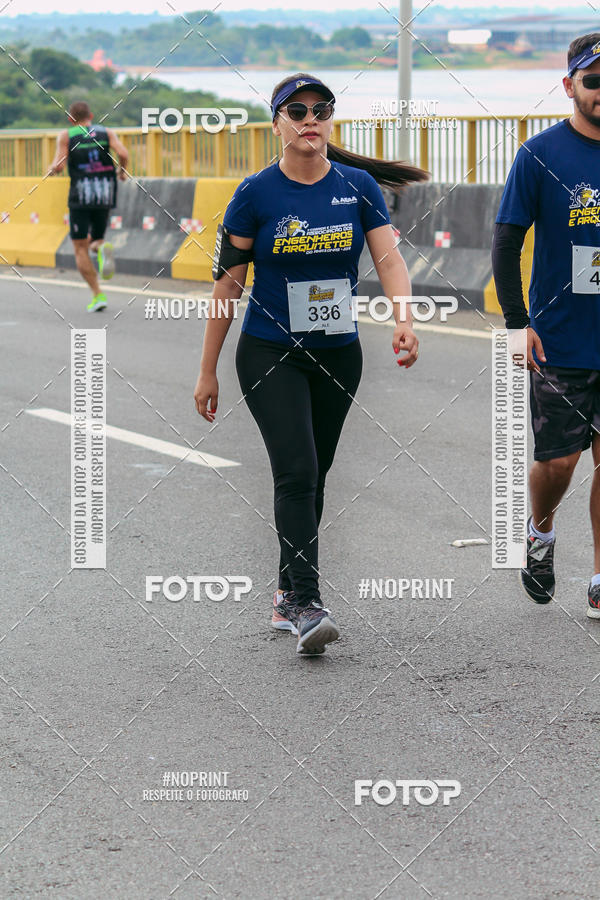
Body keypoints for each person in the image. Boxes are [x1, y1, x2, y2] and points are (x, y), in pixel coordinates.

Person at [194, 73, 428, 655]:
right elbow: (227, 285)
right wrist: (207, 369)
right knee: (296, 470)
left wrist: (403, 318)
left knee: (314, 475)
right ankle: (305, 602)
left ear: (330, 120)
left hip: (338, 353)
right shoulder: (255, 194)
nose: (310, 119)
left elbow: (389, 260)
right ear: (276, 122)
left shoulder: (357, 186)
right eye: (296, 111)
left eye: (321, 110)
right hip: (270, 351)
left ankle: (285, 591)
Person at [492, 33, 600, 619]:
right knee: (559, 462)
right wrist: (518, 323)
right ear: (569, 86)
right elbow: (507, 241)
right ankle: (540, 530)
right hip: (560, 337)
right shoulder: (539, 155)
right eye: (594, 79)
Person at [47, 100, 128, 312]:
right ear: (90, 116)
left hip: (81, 195)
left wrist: (52, 169)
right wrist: (122, 171)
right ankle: (100, 247)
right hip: (105, 192)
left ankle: (97, 294)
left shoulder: (66, 135)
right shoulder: (105, 132)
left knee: (79, 247)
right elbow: (123, 154)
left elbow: (59, 165)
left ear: (70, 119)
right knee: (96, 239)